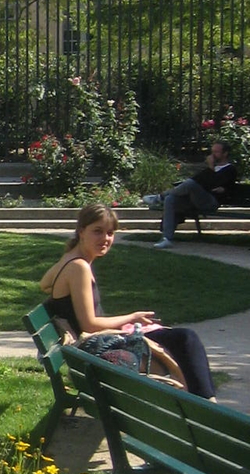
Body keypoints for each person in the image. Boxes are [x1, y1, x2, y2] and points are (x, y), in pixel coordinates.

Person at [39, 203, 217, 399]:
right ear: (81, 231)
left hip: (91, 344)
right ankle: (208, 404)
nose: (105, 239)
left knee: (182, 340)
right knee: (185, 339)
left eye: (110, 233)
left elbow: (45, 284)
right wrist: (132, 317)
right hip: (94, 345)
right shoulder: (79, 267)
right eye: (97, 231)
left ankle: (204, 403)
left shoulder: (70, 259)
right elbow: (89, 325)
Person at [142, 140, 239, 249]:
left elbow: (213, 184)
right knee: (170, 199)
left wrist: (211, 169)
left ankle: (159, 198)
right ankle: (166, 238)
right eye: (212, 152)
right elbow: (198, 181)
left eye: (216, 152)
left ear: (225, 153)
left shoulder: (230, 169)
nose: (212, 155)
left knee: (190, 184)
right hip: (195, 200)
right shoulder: (209, 169)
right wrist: (210, 171)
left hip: (211, 202)